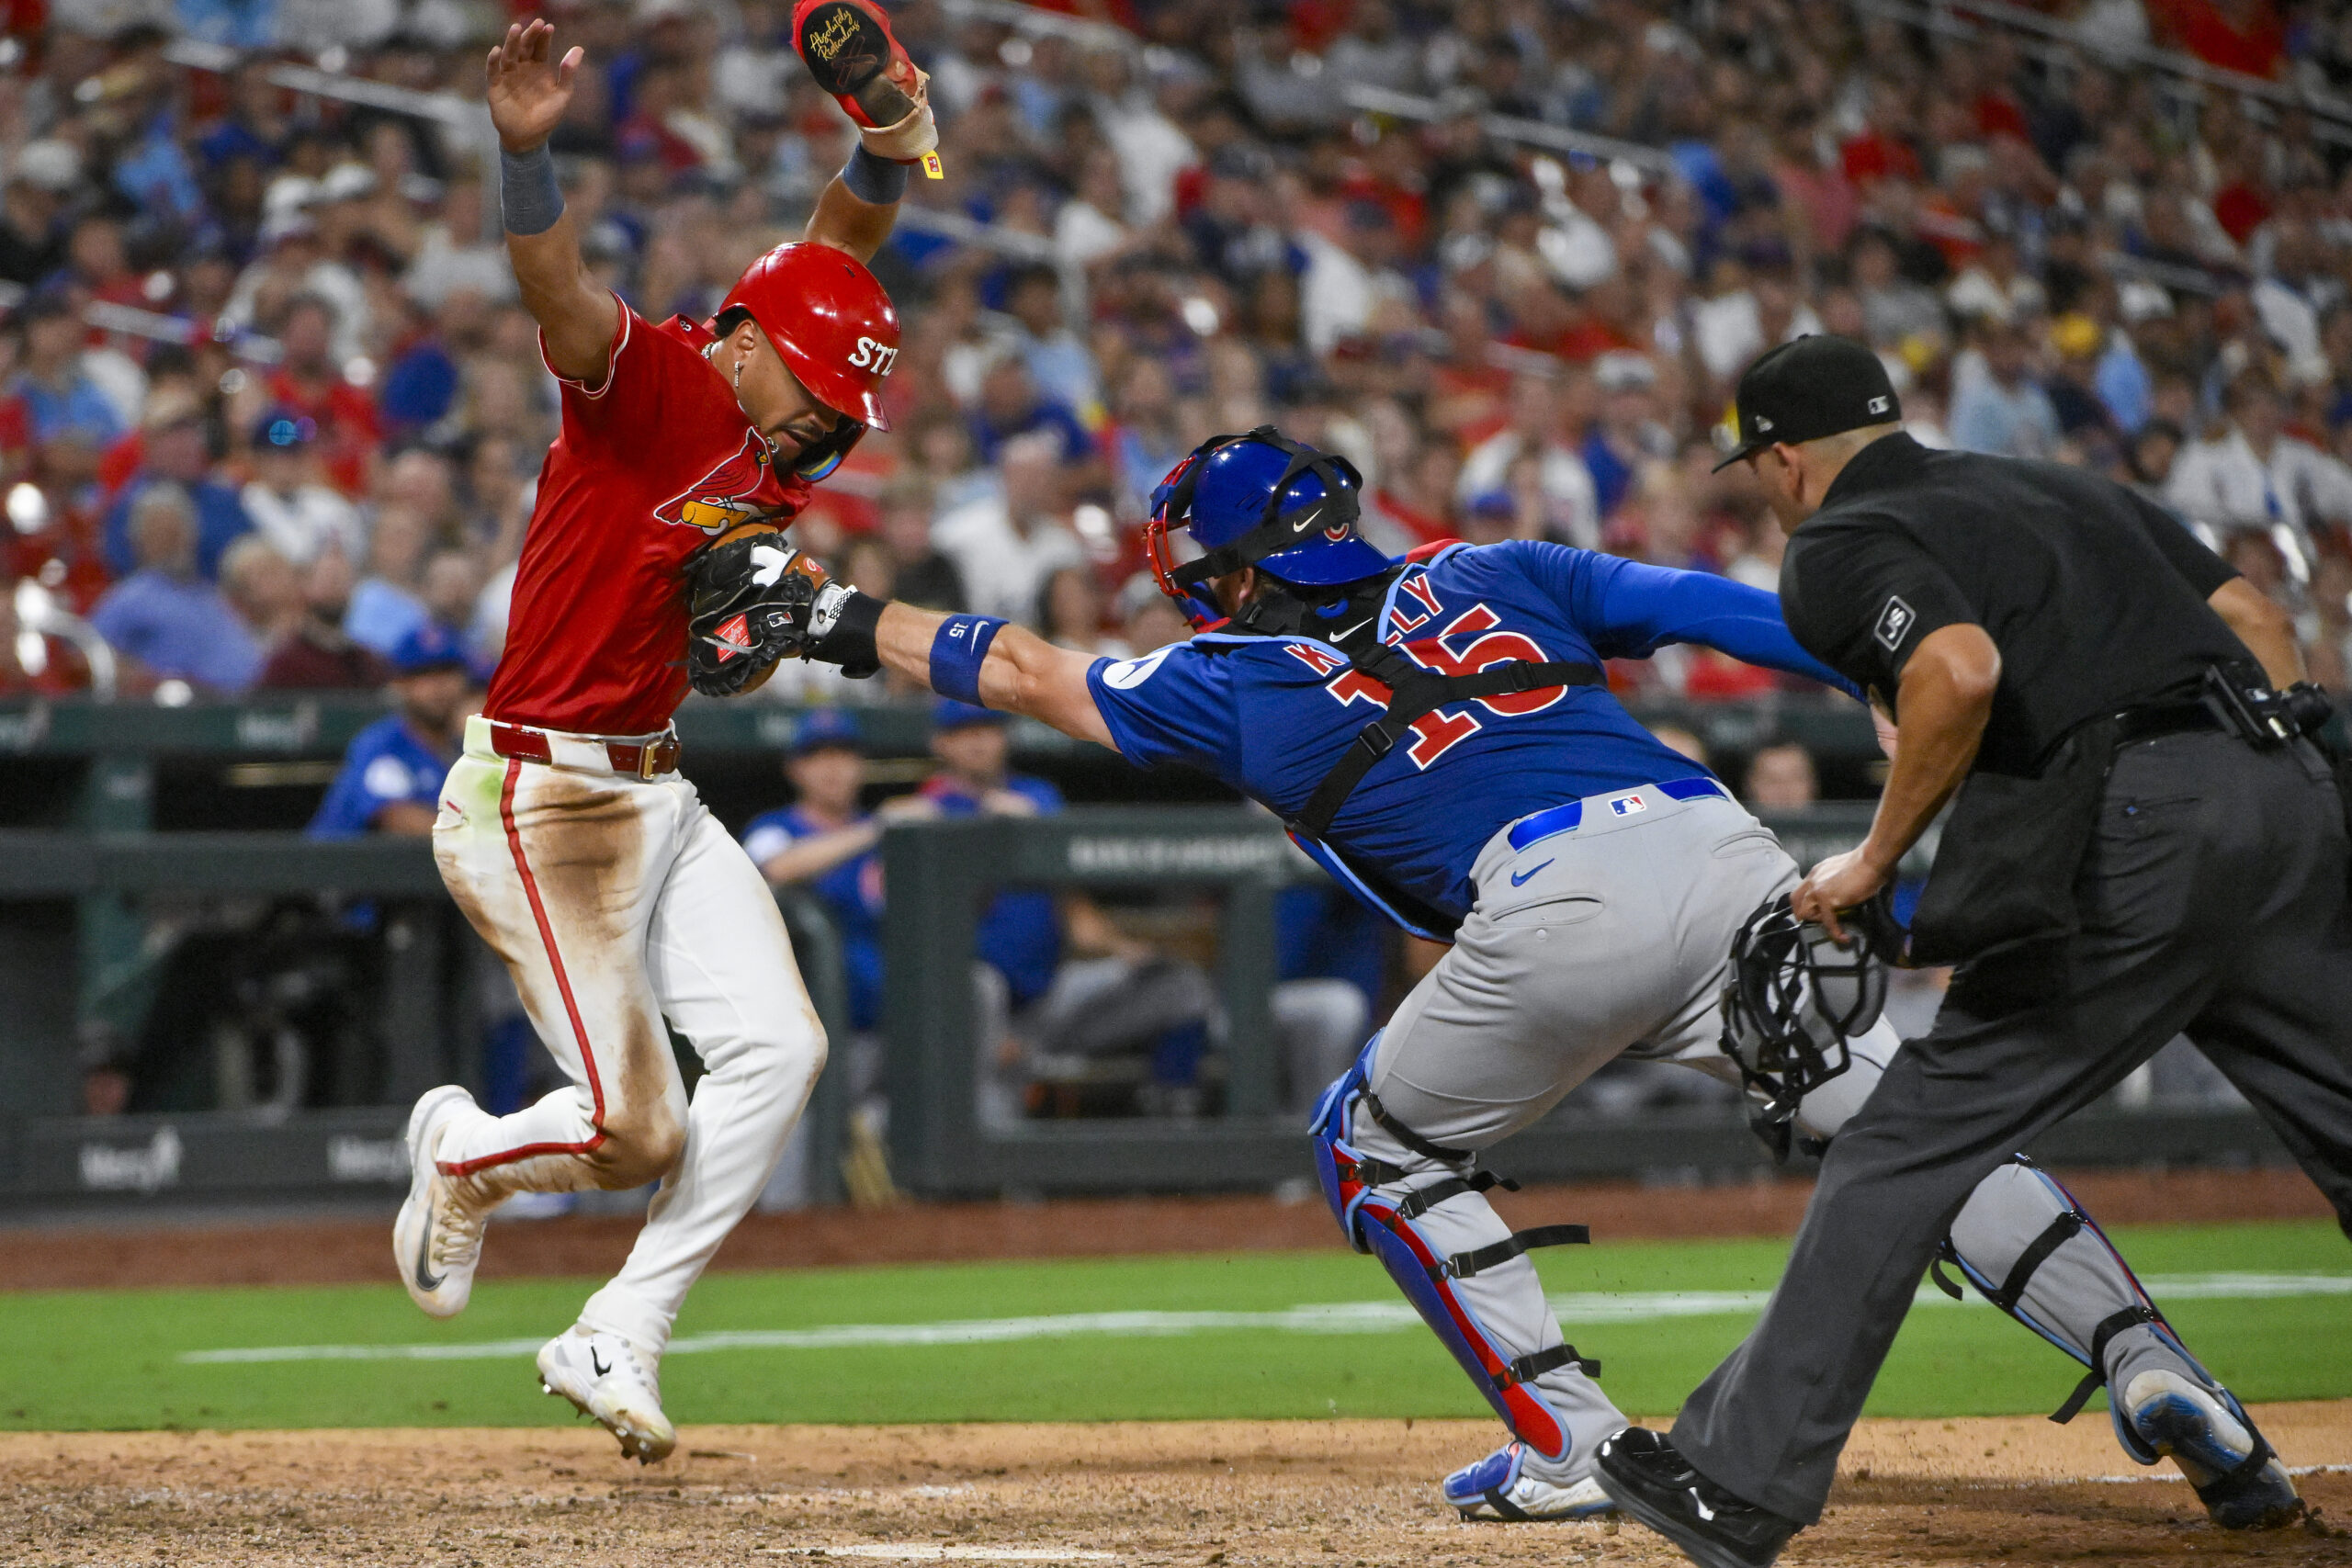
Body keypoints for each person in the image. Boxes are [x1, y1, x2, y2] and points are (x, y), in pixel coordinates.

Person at [767, 423, 2227, 1524]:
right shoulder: (1495, 566)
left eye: (1207, 571)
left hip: (1549, 899)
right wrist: (1964, 656)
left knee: (1374, 1144)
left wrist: (830, 615)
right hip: (1721, 846)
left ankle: (1571, 1439)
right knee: (1911, 1121)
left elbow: (1017, 666)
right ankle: (2150, 1353)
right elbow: (1758, 620)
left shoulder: (1231, 678)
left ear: (1237, 567)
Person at [1592, 334, 2336, 1567]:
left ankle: (1738, 1477)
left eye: (1758, 464)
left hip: (2144, 826)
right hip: (2284, 792)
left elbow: (1958, 665)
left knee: (1907, 1132)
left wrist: (1875, 860)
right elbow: (2259, 617)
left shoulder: (1831, 541)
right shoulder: (2058, 483)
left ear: (1784, 458)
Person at [390, 9, 934, 1464]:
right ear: (750, 346)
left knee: (781, 1047)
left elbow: (836, 259)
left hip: (655, 784)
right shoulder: (658, 385)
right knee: (638, 1130)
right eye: (822, 403)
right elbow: (556, 290)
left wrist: (884, 144)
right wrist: (523, 154)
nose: (832, 436)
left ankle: (617, 1326)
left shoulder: (772, 403)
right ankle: (460, 1150)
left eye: (846, 416)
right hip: (535, 793)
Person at [88, 483, 263, 694]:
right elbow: (88, 654)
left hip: (247, 702)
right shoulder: (130, 598)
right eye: (161, 533)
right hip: (180, 712)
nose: (173, 542)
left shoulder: (211, 593)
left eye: (178, 531)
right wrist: (142, 679)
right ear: (139, 541)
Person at [308, 625, 474, 839]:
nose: (438, 687)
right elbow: (398, 818)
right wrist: (477, 840)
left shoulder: (464, 749)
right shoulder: (381, 745)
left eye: (446, 672)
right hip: (335, 867)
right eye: (423, 675)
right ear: (400, 685)